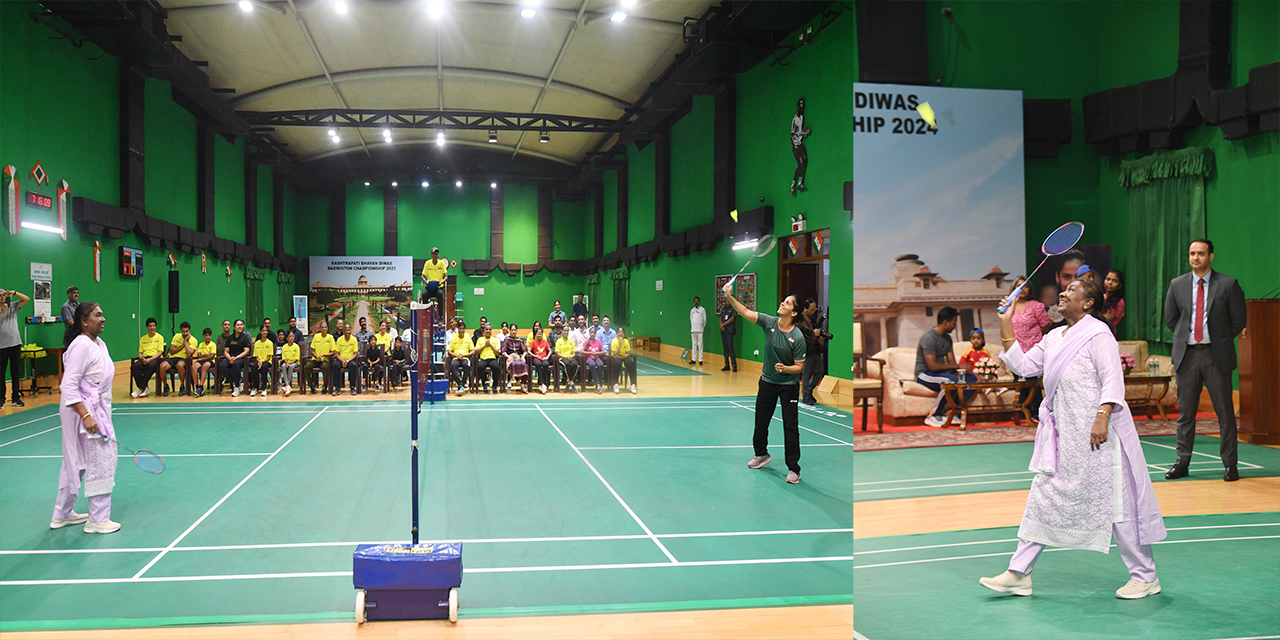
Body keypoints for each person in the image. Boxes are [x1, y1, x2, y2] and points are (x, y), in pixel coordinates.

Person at [982, 277, 1166, 600]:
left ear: (1088, 303)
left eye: (1072, 291)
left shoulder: (1099, 335)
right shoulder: (1053, 338)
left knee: (1116, 506)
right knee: (1042, 498)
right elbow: (1024, 365)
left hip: (1101, 435)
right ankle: (1018, 574)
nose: (1063, 294)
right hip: (1064, 439)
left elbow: (1112, 379)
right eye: (1064, 289)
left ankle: (1145, 576)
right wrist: (1005, 322)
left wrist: (1101, 416)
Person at [1162, 238, 1248, 482]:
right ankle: (1182, 463)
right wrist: (1186, 338)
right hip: (1187, 356)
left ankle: (1230, 465)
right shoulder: (1177, 284)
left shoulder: (1228, 284)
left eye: (1200, 253)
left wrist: (1219, 340)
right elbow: (1171, 319)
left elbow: (1238, 320)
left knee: (1225, 414)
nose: (1195, 258)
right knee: (1185, 415)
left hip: (1215, 356)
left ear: (1211, 256)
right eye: (1191, 253)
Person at [722, 283, 812, 484]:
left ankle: (794, 469)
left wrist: (786, 369)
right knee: (761, 421)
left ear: (794, 312)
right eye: (784, 300)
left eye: (787, 303)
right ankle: (761, 454)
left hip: (788, 385)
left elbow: (799, 367)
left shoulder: (797, 337)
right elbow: (745, 312)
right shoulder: (769, 323)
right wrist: (729, 296)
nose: (782, 303)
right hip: (767, 382)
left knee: (790, 426)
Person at [53, 301, 120, 534]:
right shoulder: (81, 344)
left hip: (96, 409)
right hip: (83, 411)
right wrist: (87, 415)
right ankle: (98, 519)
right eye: (97, 315)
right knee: (101, 460)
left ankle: (62, 513)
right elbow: (68, 385)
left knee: (77, 461)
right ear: (84, 321)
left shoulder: (98, 343)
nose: (103, 319)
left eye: (102, 315)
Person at [915, 307, 976, 428]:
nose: (955, 326)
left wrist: (964, 371)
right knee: (950, 381)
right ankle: (932, 415)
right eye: (954, 323)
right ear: (945, 322)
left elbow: (951, 362)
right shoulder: (929, 337)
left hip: (940, 373)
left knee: (971, 380)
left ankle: (953, 413)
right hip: (925, 374)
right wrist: (958, 366)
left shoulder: (947, 338)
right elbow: (932, 366)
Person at [1010, 276, 1051, 414]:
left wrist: (1033, 340)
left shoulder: (1036, 306)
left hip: (1033, 350)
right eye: (1019, 286)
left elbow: (1044, 326)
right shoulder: (1009, 306)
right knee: (1019, 383)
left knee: (1032, 382)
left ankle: (1037, 412)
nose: (1022, 289)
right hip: (1016, 350)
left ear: (1030, 289)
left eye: (1025, 286)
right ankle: (1022, 412)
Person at [0, 288, 30, 408]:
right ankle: (1, 398)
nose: (2, 297)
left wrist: (15, 293)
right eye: (0, 296)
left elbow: (26, 299)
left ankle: (15, 398)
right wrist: (2, 311)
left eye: (3, 295)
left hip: (15, 344)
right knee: (1, 373)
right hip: (2, 346)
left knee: (15, 372)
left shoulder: (13, 306)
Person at [1047, 250, 1086, 325]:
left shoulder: (1097, 311)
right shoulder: (1047, 316)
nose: (1073, 283)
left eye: (1079, 276)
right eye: (1066, 277)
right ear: (1057, 277)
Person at [801, 299, 828, 405]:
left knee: (819, 371)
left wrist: (818, 334)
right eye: (811, 310)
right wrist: (813, 333)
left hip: (815, 348)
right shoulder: (799, 319)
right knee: (806, 373)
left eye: (814, 309)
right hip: (806, 349)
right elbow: (800, 333)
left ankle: (809, 390)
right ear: (805, 308)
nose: (813, 312)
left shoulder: (812, 318)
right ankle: (806, 395)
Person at [159, 321, 197, 397]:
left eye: (187, 331)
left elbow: (189, 354)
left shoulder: (194, 340)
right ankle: (166, 386)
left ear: (190, 330)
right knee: (162, 366)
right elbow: (172, 351)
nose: (185, 333)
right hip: (173, 358)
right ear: (181, 331)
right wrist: (182, 345)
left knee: (180, 365)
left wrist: (186, 342)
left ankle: (182, 386)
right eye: (183, 331)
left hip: (184, 359)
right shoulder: (176, 336)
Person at [130, 318, 166, 398]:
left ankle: (140, 388)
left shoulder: (160, 337)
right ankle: (145, 388)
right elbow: (140, 353)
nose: (152, 328)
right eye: (150, 326)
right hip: (145, 358)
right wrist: (142, 359)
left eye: (153, 326)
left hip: (155, 359)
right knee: (134, 367)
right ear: (147, 327)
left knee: (151, 366)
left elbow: (160, 352)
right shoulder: (143, 338)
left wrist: (150, 359)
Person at [218, 320, 252, 397]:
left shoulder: (245, 337)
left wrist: (236, 358)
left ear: (243, 326)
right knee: (222, 366)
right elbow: (226, 351)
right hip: (231, 357)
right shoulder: (230, 338)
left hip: (241, 358)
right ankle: (234, 382)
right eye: (237, 325)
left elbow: (246, 351)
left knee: (236, 365)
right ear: (234, 327)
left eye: (241, 325)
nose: (239, 326)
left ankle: (236, 387)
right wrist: (230, 358)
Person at [306, 320, 336, 394]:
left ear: (327, 328)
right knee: (306, 367)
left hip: (325, 359)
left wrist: (323, 355)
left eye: (325, 327)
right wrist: (316, 356)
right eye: (322, 327)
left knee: (325, 367)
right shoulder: (316, 336)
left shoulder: (330, 337)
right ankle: (311, 385)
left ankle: (325, 385)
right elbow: (312, 350)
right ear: (320, 329)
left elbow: (333, 352)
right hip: (315, 359)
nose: (324, 329)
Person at [790, 98, 811, 196]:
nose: (802, 107)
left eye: (803, 106)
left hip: (800, 143)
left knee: (805, 161)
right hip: (796, 145)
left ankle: (800, 183)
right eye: (801, 105)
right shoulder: (795, 120)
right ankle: (793, 185)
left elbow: (800, 132)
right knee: (800, 164)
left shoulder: (802, 117)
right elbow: (793, 134)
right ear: (798, 107)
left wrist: (803, 133)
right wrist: (794, 145)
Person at [447, 320, 474, 395]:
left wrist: (464, 355)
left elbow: (473, 351)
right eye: (460, 329)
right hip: (456, 358)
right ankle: (460, 384)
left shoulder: (468, 337)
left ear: (465, 329)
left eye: (463, 329)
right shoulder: (454, 337)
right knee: (453, 365)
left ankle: (461, 384)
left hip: (465, 358)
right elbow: (449, 351)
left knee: (467, 365)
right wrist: (457, 356)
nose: (461, 330)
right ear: (458, 329)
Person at [502, 326, 530, 393]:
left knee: (523, 364)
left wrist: (523, 356)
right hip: (510, 357)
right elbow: (504, 352)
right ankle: (519, 382)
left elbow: (525, 351)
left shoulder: (520, 341)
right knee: (514, 364)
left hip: (518, 357)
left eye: (515, 330)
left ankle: (522, 384)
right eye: (512, 330)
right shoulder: (507, 340)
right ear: (510, 331)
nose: (513, 332)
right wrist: (508, 357)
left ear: (517, 331)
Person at [334, 324, 360, 396]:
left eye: (349, 330)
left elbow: (355, 354)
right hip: (341, 359)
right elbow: (337, 354)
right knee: (335, 366)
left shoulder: (354, 339)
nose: (347, 332)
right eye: (346, 330)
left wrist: (347, 361)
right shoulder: (339, 340)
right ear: (343, 331)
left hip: (350, 360)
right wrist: (343, 361)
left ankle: (352, 387)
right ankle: (337, 388)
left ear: (350, 331)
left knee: (353, 365)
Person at [474, 326, 502, 394]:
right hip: (483, 358)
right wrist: (485, 345)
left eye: (490, 329)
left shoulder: (494, 340)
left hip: (492, 358)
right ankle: (484, 384)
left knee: (496, 367)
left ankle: (494, 386)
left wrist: (490, 345)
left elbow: (498, 353)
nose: (488, 331)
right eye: (487, 329)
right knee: (480, 367)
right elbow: (476, 352)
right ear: (484, 331)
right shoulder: (480, 339)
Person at [249, 326, 275, 397]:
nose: (265, 332)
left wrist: (262, 362)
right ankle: (255, 388)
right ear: (260, 332)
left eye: (266, 331)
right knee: (254, 367)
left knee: (264, 367)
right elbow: (256, 356)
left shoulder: (270, 343)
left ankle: (264, 388)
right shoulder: (257, 343)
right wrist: (259, 361)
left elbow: (269, 357)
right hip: (258, 361)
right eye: (263, 331)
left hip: (267, 361)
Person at [611, 327, 638, 394]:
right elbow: (615, 353)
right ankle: (616, 384)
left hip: (624, 357)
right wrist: (619, 344)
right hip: (616, 358)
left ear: (624, 334)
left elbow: (628, 353)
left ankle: (633, 385)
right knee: (617, 363)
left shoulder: (626, 341)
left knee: (631, 364)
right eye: (619, 332)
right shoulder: (614, 341)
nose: (620, 334)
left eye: (622, 332)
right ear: (617, 333)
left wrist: (622, 357)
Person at [193, 327, 217, 397]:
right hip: (202, 360)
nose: (207, 337)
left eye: (209, 335)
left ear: (211, 336)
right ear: (203, 336)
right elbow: (198, 355)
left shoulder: (213, 344)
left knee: (205, 366)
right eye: (206, 335)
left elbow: (212, 356)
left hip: (210, 361)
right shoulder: (201, 344)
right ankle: (197, 386)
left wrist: (203, 357)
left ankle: (201, 386)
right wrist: (206, 355)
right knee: (194, 366)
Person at [555, 327, 580, 393]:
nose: (566, 332)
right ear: (562, 331)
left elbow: (574, 353)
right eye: (564, 331)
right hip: (562, 358)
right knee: (567, 364)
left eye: (567, 331)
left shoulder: (571, 341)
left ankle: (569, 382)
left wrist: (571, 356)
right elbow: (557, 353)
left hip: (570, 357)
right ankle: (571, 381)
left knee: (575, 364)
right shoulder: (559, 341)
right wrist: (566, 357)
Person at [583, 327, 607, 394]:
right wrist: (589, 353)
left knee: (600, 364)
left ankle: (600, 383)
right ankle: (597, 384)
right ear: (589, 333)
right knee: (592, 365)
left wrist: (597, 353)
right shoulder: (587, 342)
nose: (592, 334)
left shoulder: (598, 342)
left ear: (596, 334)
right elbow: (582, 351)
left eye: (594, 333)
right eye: (591, 332)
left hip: (597, 358)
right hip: (589, 359)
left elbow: (603, 351)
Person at [529, 328, 552, 394]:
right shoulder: (533, 342)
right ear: (536, 334)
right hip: (536, 359)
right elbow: (529, 351)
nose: (539, 335)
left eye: (540, 334)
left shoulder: (545, 342)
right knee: (538, 364)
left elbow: (550, 350)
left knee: (545, 364)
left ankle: (541, 383)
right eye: (538, 334)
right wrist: (534, 356)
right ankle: (543, 384)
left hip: (544, 358)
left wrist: (547, 357)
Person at [1103, 269, 1126, 333]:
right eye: (1108, 279)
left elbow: (1104, 320)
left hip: (1106, 334)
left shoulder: (1119, 302)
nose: (1110, 283)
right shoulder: (1099, 297)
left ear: (1120, 285)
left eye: (1114, 281)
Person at [719, 300, 738, 372]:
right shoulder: (724, 309)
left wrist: (723, 325)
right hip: (723, 331)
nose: (727, 302)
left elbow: (732, 318)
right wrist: (721, 325)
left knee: (730, 347)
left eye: (729, 300)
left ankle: (734, 366)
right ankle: (727, 365)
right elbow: (720, 317)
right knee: (725, 348)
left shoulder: (733, 309)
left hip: (729, 331)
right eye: (726, 300)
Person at [280, 330, 300, 396]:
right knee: (283, 366)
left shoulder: (296, 346)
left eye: (293, 336)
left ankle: (287, 385)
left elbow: (297, 358)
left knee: (291, 367)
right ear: (287, 338)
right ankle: (288, 385)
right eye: (290, 336)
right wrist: (287, 362)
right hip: (287, 362)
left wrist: (290, 363)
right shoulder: (284, 347)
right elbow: (284, 357)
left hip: (295, 363)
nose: (292, 338)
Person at [689, 296, 707, 365]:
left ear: (699, 302)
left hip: (700, 330)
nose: (696, 302)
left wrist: (702, 326)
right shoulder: (692, 310)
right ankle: (693, 359)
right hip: (693, 330)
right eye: (695, 301)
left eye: (697, 301)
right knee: (694, 344)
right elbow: (691, 319)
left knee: (700, 345)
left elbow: (704, 319)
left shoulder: (702, 310)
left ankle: (700, 359)